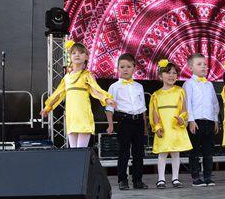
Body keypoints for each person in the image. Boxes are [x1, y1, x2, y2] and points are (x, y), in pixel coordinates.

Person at [41, 40, 115, 148]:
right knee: (73, 150)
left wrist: (106, 99)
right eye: (74, 53)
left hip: (83, 115)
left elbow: (95, 90)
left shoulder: (87, 75)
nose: (77, 55)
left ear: (86, 57)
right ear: (70, 57)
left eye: (81, 52)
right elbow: (58, 94)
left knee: (81, 150)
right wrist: (48, 107)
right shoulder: (67, 77)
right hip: (72, 116)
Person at [105, 53, 148, 190]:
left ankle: (137, 180)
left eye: (129, 67)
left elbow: (143, 107)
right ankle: (122, 180)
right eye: (122, 67)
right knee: (123, 151)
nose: (125, 69)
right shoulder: (114, 87)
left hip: (138, 121)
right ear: (118, 68)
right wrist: (110, 124)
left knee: (138, 152)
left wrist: (145, 126)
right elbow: (109, 108)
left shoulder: (139, 86)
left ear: (134, 68)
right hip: (124, 121)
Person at [149, 60, 192, 188]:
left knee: (175, 153)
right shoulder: (156, 95)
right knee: (162, 153)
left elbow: (184, 109)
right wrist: (157, 127)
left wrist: (182, 118)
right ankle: (161, 179)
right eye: (168, 73)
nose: (171, 75)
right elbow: (154, 113)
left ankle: (175, 178)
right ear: (160, 76)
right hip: (164, 127)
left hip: (175, 127)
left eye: (174, 73)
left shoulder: (179, 91)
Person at [183, 53, 219, 187]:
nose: (203, 66)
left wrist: (215, 119)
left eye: (205, 64)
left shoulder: (209, 84)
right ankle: (196, 177)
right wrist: (191, 120)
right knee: (195, 151)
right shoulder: (189, 84)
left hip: (209, 120)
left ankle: (208, 176)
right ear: (190, 68)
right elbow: (187, 103)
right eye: (199, 64)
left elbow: (214, 103)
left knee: (208, 151)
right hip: (196, 121)